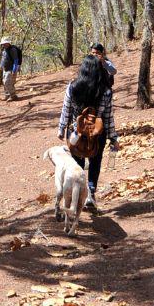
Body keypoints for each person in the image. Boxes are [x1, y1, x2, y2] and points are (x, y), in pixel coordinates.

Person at [57, 52, 119, 210]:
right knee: (95, 163)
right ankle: (90, 193)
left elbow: (66, 110)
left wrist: (62, 128)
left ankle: (78, 195)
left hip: (75, 134)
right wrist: (113, 137)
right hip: (97, 135)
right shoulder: (105, 91)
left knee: (77, 164)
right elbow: (108, 117)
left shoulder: (73, 87)